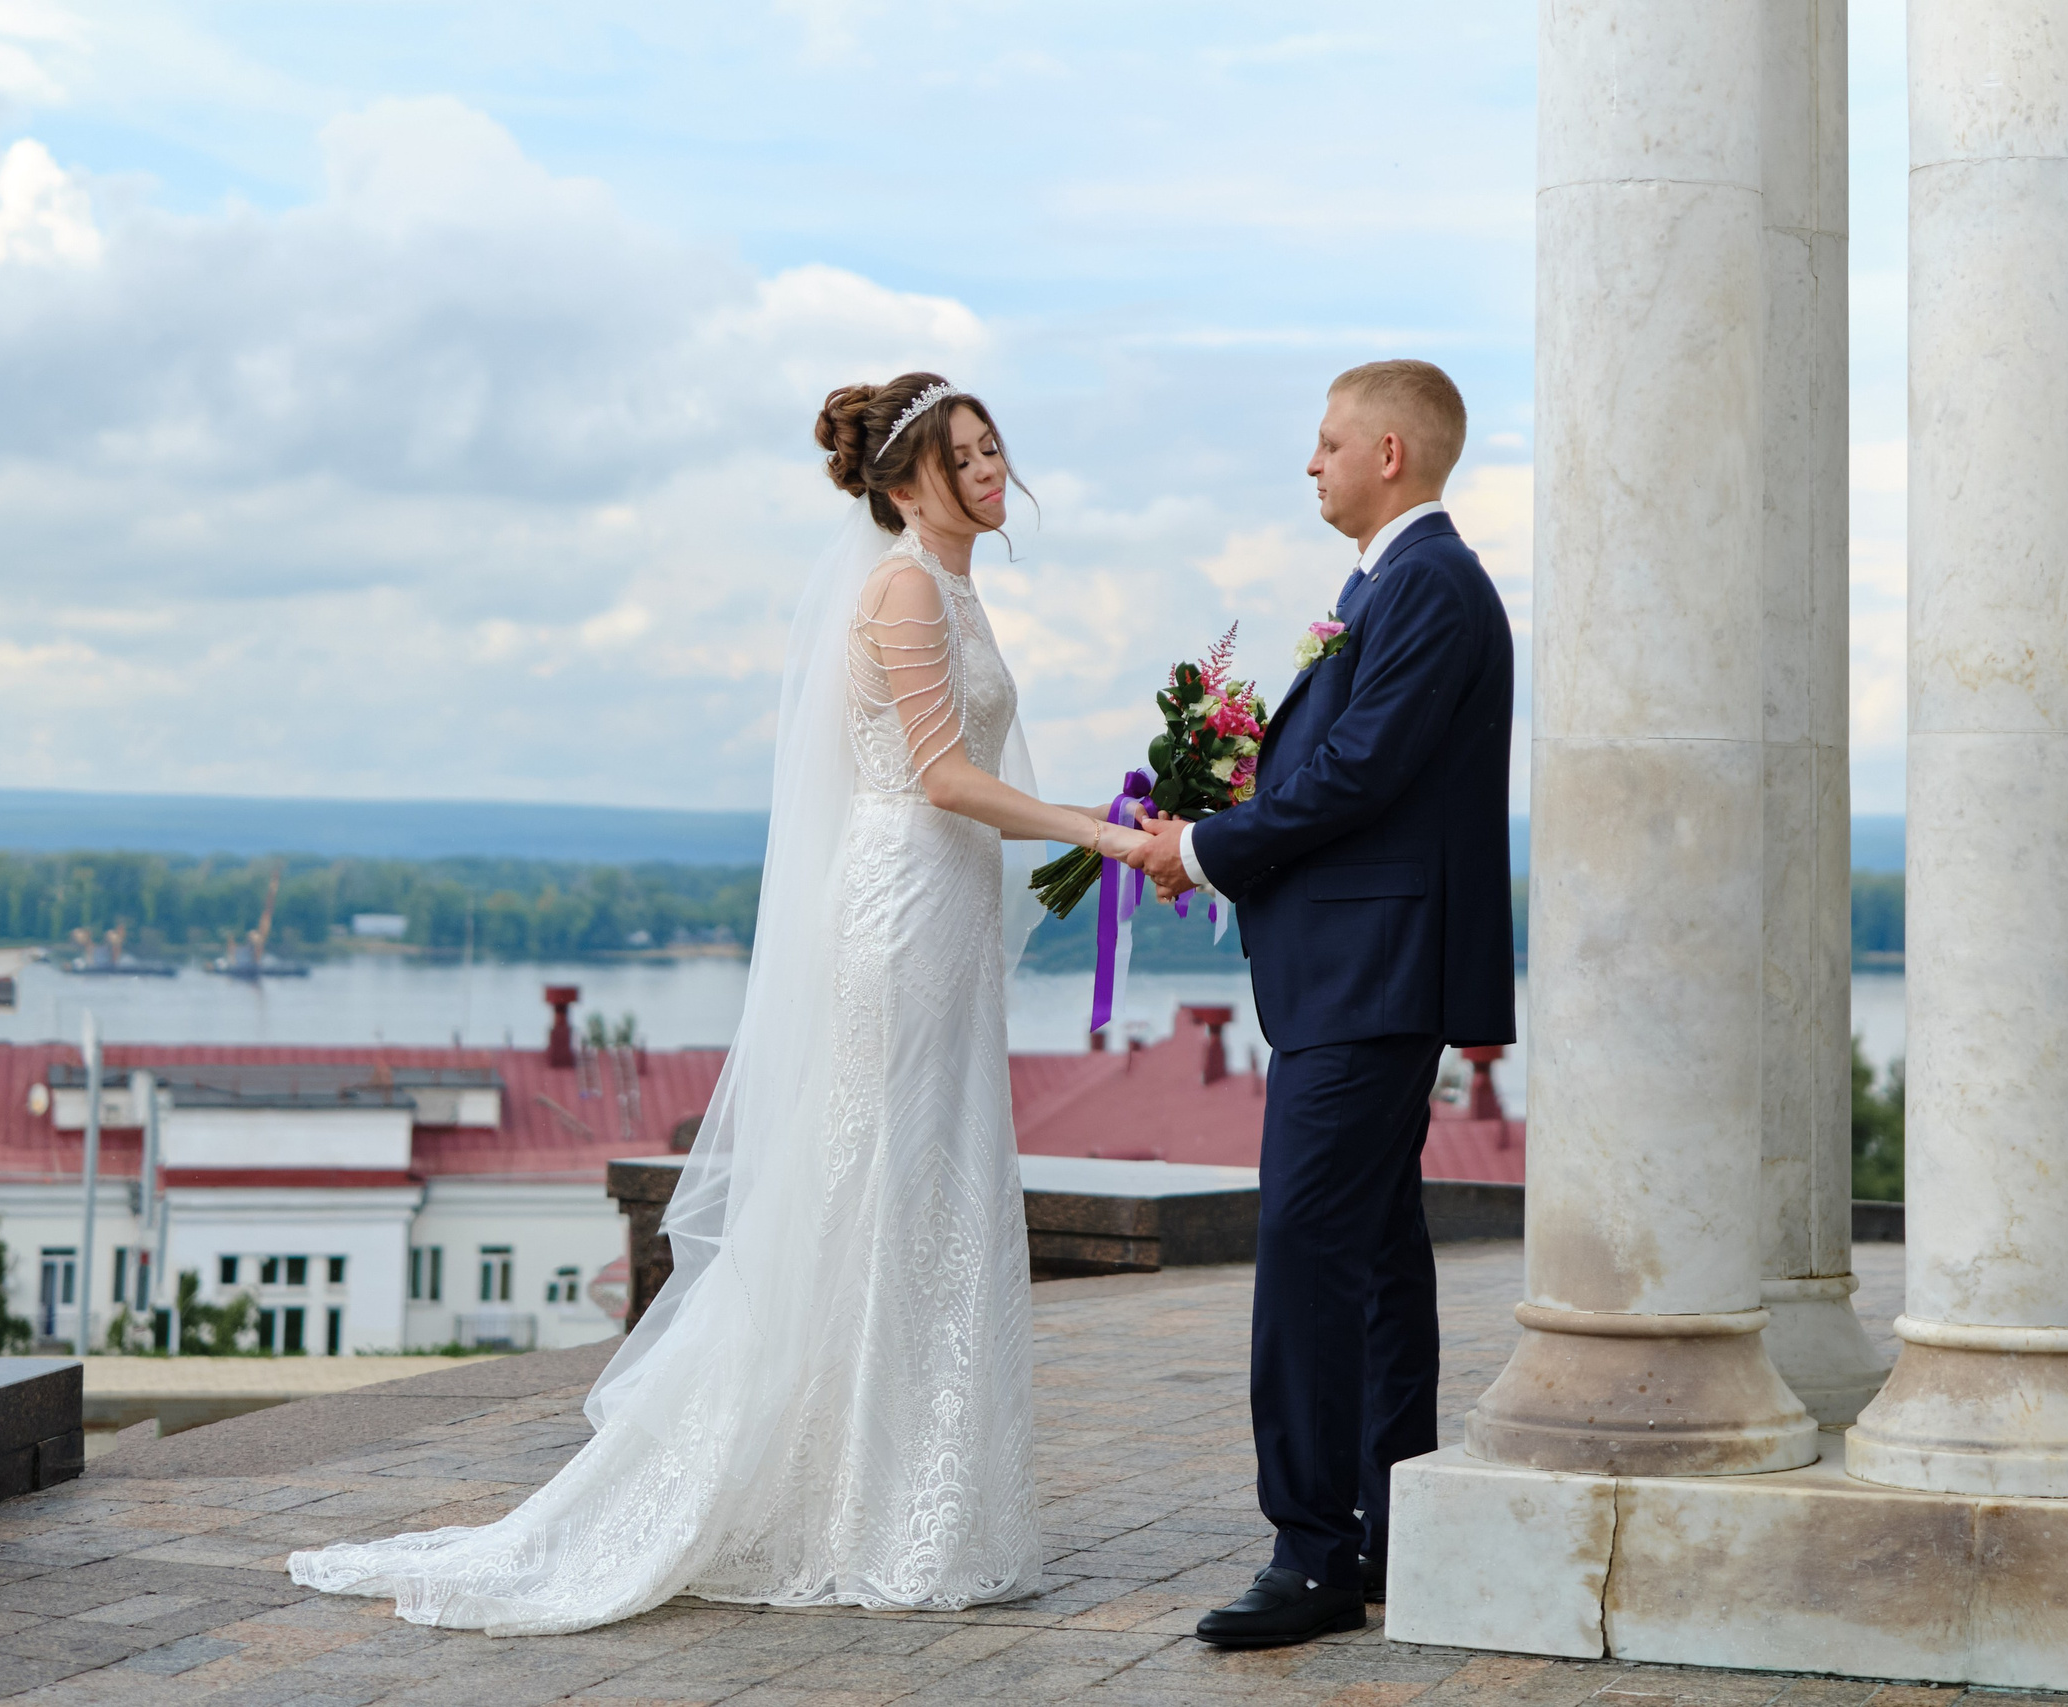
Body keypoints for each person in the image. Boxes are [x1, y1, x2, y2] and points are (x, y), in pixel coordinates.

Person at [286, 373, 1152, 1634]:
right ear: (904, 482)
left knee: (929, 1188)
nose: (988, 470)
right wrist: (1101, 835)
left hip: (946, 913)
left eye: (993, 449)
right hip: (902, 907)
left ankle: (915, 1500)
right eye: (962, 456)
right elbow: (943, 777)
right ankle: (852, 1504)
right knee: (875, 1189)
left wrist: (1090, 830)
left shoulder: (956, 587)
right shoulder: (906, 584)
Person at [1127, 359, 1516, 1647]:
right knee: (1375, 1254)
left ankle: (1309, 1552)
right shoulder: (1390, 586)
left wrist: (1207, 847)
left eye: (1327, 441)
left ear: (1389, 453)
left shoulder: (1430, 586)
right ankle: (1384, 1524)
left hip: (1370, 972)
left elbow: (1360, 771)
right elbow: (1346, 762)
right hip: (1355, 969)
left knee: (1302, 1248)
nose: (1311, 463)